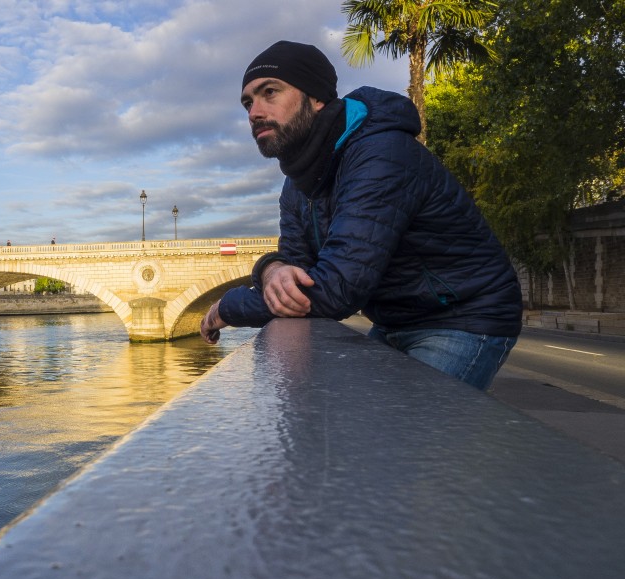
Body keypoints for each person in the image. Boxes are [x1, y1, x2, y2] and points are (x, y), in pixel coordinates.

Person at [200, 41, 523, 390]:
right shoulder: (296, 185)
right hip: (393, 320)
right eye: (248, 102)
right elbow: (297, 271)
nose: (254, 112)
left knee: (412, 439)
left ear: (317, 98)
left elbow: (332, 290)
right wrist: (271, 268)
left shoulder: (380, 154)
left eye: (270, 93)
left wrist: (225, 308)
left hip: (463, 317)